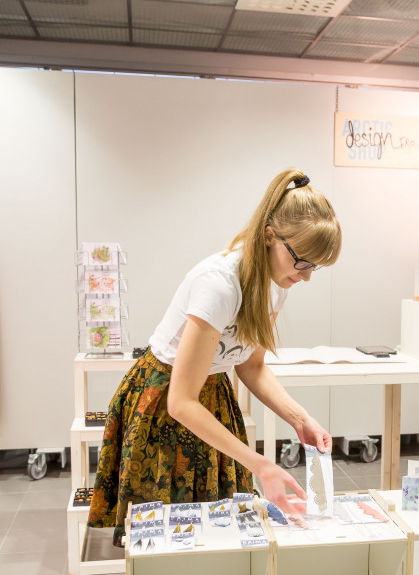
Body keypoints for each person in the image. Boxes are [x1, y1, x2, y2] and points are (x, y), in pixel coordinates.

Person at [87, 168, 342, 546]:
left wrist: (300, 419)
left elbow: (251, 366)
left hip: (213, 398)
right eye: (302, 261)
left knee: (219, 530)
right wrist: (259, 464)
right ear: (271, 236)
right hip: (165, 401)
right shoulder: (219, 285)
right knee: (170, 536)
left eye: (314, 267)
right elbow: (180, 401)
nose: (305, 277)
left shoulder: (275, 283)